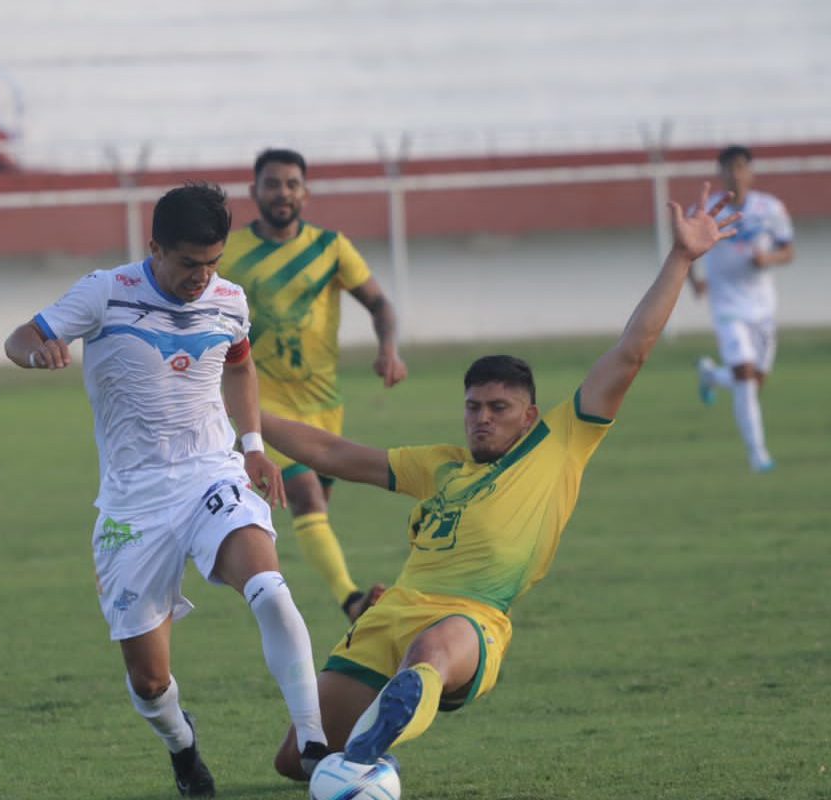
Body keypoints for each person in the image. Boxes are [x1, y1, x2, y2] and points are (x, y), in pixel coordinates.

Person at [264, 184, 740, 780]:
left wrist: (680, 258)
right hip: (390, 614)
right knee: (295, 760)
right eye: (473, 407)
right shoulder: (439, 464)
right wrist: (244, 415)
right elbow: (333, 451)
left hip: (472, 617)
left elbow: (630, 351)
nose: (482, 418)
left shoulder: (560, 442)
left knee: (429, 658)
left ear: (529, 415)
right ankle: (355, 766)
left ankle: (369, 754)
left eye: (497, 407)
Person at [2, 182, 329, 796]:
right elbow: (20, 336)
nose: (202, 277)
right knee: (150, 682)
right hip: (133, 501)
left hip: (211, 473)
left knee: (269, 585)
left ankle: (314, 741)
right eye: (188, 263)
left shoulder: (231, 300)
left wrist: (253, 447)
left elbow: (239, 365)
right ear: (154, 247)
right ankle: (183, 746)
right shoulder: (107, 292)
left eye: (213, 262)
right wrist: (36, 352)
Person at [220, 148, 407, 622]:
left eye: (291, 184)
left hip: (324, 401)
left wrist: (388, 349)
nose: (282, 193)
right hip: (264, 400)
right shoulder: (231, 251)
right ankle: (352, 601)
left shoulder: (331, 247)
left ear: (305, 191)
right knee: (306, 496)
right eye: (272, 184)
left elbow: (380, 305)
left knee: (315, 509)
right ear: (254, 192)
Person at [689, 145, 795, 473]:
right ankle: (758, 455)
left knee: (753, 381)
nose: (734, 173)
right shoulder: (706, 210)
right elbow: (685, 247)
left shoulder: (770, 208)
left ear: (750, 171)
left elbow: (788, 250)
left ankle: (710, 375)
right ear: (719, 173)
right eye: (727, 167)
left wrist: (769, 259)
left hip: (761, 307)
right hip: (727, 305)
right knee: (745, 377)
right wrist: (695, 281)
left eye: (740, 166)